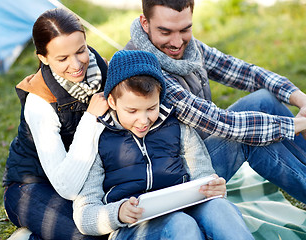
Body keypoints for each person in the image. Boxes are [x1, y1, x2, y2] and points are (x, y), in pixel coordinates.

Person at [124, 0, 306, 203]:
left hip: (201, 149)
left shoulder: (190, 49)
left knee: (264, 99)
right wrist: (295, 125)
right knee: (249, 138)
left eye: (185, 29)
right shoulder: (142, 70)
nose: (176, 42)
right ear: (145, 23)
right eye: (165, 32)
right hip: (178, 178)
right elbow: (223, 124)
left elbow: (243, 72)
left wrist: (301, 99)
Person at [73, 50, 254, 239]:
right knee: (180, 224)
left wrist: (212, 189)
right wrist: (117, 213)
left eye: (151, 108)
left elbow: (202, 174)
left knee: (220, 208)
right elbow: (84, 215)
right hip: (133, 229)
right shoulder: (98, 138)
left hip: (185, 209)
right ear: (112, 101)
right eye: (132, 111)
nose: (143, 120)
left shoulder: (176, 126)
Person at [3, 8, 110, 240]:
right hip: (32, 187)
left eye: (81, 51)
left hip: (89, 179)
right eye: (62, 59)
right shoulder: (39, 102)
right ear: (43, 58)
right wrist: (91, 118)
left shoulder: (103, 71)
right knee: (87, 236)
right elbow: (67, 186)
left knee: (113, 226)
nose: (76, 65)